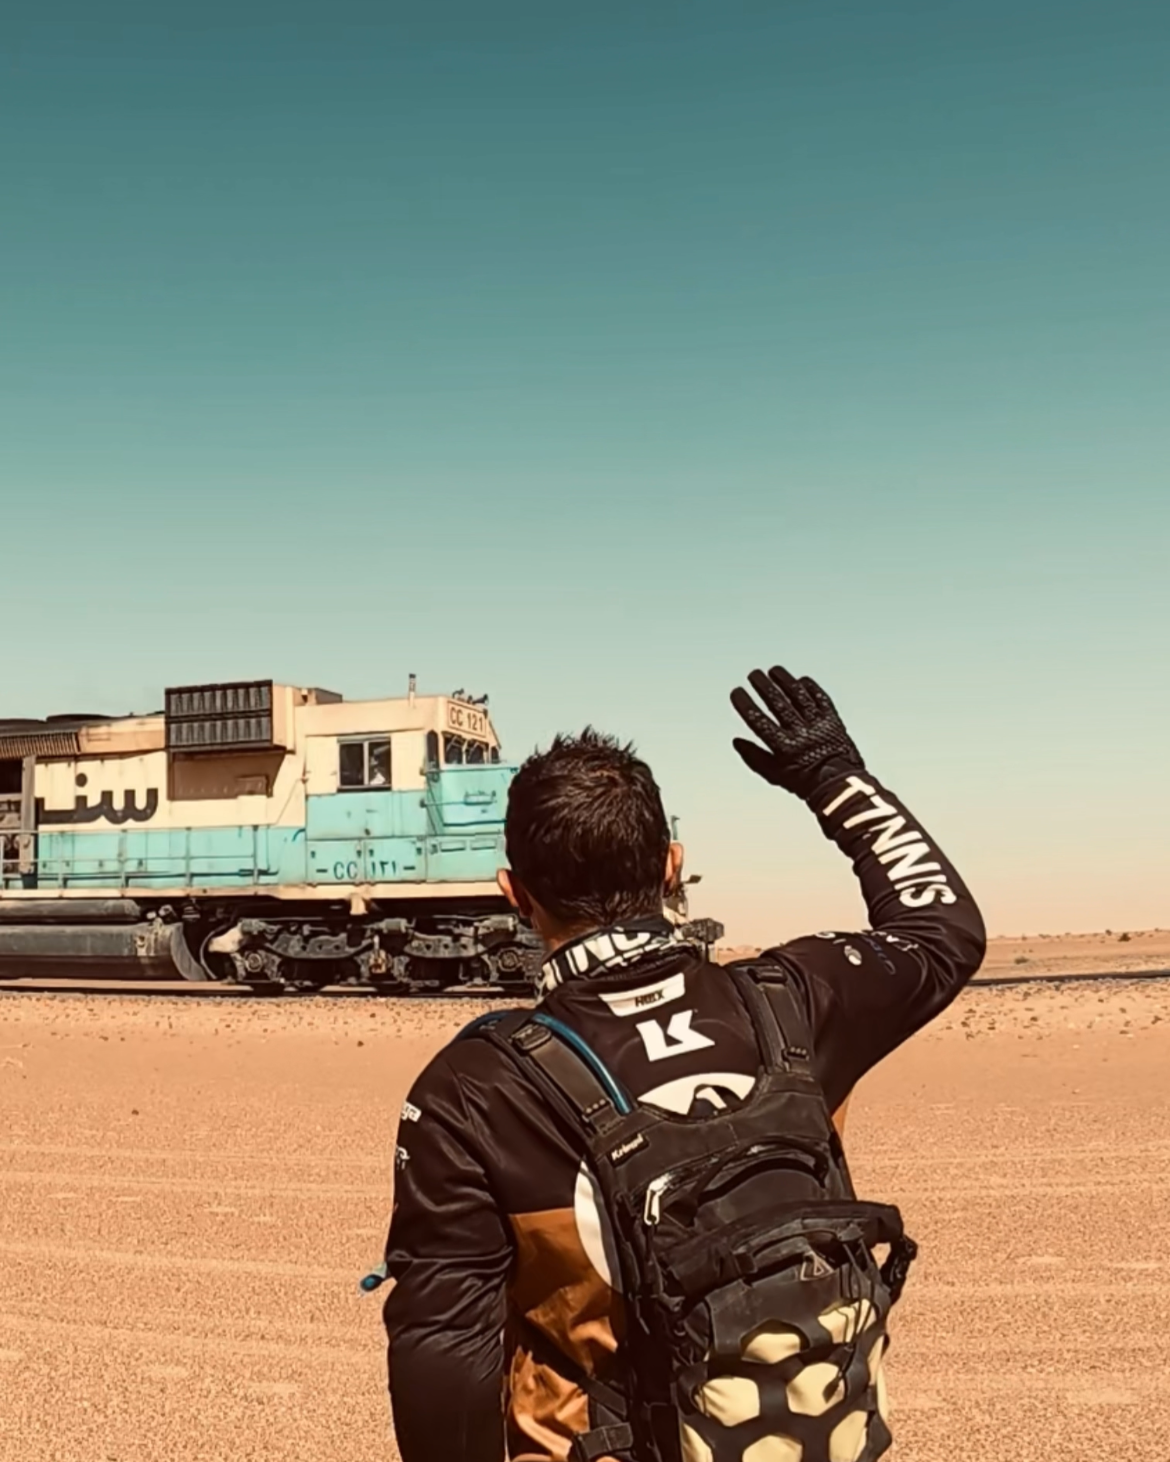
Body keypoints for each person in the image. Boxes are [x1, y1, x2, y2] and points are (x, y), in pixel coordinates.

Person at [380, 665, 985, 1462]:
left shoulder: (474, 1089)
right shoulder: (795, 1001)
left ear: (513, 893)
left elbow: (445, 1349)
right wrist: (835, 778)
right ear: (672, 865)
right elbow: (943, 928)